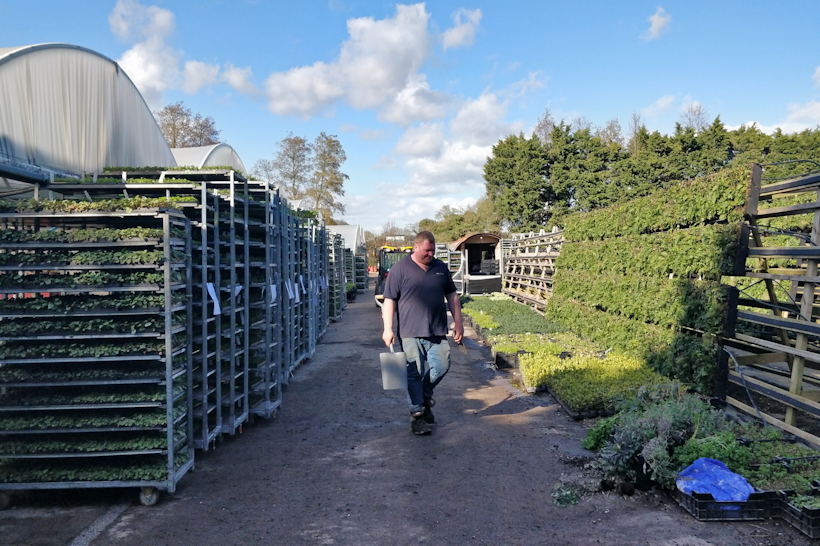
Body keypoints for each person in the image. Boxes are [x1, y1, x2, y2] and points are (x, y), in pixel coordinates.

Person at [381, 231, 464, 435]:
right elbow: (389, 300)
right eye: (427, 250)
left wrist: (458, 323)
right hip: (410, 332)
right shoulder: (400, 269)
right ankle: (417, 415)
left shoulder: (440, 268)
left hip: (436, 330)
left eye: (433, 251)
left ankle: (425, 394)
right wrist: (387, 328)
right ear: (416, 247)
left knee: (442, 365)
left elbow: (452, 295)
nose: (430, 254)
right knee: (413, 374)